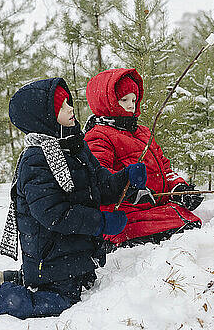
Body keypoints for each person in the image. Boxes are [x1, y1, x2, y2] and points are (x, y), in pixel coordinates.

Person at [0, 78, 148, 322]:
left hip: (72, 248)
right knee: (61, 301)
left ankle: (21, 278)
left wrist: (125, 178)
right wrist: (101, 222)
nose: (71, 109)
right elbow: (55, 214)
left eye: (68, 103)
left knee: (85, 282)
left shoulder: (74, 146)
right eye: (62, 107)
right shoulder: (36, 160)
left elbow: (100, 184)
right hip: (51, 251)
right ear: (44, 118)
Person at [84, 68, 203, 250]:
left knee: (187, 219)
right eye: (124, 100)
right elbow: (100, 180)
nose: (131, 105)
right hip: (125, 212)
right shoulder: (98, 136)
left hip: (154, 208)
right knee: (166, 229)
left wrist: (178, 189)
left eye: (134, 99)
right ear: (106, 101)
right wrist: (131, 191)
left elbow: (164, 170)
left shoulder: (143, 132)